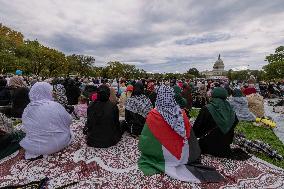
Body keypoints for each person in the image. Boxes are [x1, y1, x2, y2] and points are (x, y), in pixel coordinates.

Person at [138, 85, 224, 183]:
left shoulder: (153, 115)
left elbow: (146, 139)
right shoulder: (181, 113)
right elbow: (189, 135)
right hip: (183, 155)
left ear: (158, 97)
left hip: (160, 155)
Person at [20, 82, 72, 160]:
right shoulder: (55, 105)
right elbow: (69, 120)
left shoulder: (27, 109)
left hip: (36, 147)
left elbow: (26, 127)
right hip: (60, 143)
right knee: (67, 131)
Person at [193, 87, 238, 157]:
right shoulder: (231, 110)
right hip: (225, 146)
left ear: (213, 95)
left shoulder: (207, 108)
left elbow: (196, 129)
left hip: (207, 146)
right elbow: (234, 123)